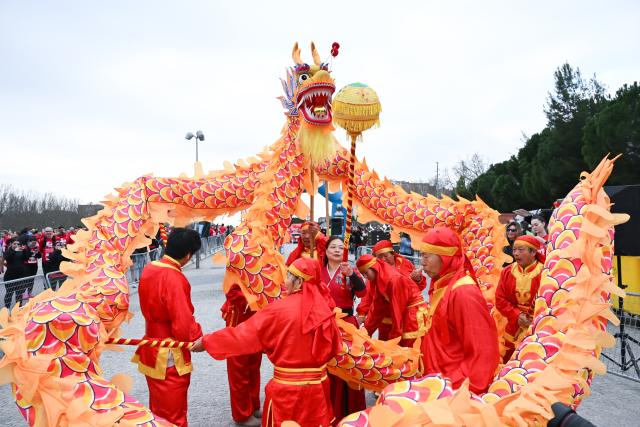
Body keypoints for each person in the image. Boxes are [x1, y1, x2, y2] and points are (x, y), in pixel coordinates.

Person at [191, 258, 342, 427]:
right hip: (318, 387)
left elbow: (242, 336)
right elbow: (335, 346)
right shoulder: (325, 307)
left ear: (299, 281)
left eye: (288, 277)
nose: (285, 282)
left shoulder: (278, 309)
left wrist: (208, 341)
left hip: (287, 390)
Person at [131, 228, 203, 427]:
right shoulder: (174, 278)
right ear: (188, 255)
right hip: (169, 351)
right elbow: (183, 324)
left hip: (151, 344)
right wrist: (198, 337)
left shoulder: (150, 268)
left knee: (158, 409)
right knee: (174, 414)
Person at [419, 226, 499, 394]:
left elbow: (483, 353)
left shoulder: (464, 292)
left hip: (453, 388)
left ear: (445, 258)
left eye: (427, 256)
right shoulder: (442, 283)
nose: (422, 262)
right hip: (437, 382)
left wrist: (462, 392)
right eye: (421, 255)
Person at [321, 236, 366, 420]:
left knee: (349, 367)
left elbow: (363, 292)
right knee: (327, 368)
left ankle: (350, 412)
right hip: (325, 323)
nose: (337, 250)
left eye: (341, 247)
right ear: (326, 251)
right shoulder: (319, 272)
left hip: (347, 323)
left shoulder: (349, 270)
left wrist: (353, 276)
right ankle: (328, 411)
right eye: (333, 247)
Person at [356, 253, 427, 347]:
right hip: (405, 312)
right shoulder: (379, 279)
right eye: (363, 274)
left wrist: (393, 340)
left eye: (366, 273)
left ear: (374, 268)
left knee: (409, 351)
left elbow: (398, 310)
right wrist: (365, 333)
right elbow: (377, 309)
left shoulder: (394, 279)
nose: (365, 277)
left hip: (413, 315)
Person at [495, 235, 545, 363]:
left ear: (533, 252)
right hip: (511, 325)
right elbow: (500, 299)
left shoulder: (544, 273)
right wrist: (517, 315)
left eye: (520, 250)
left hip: (537, 327)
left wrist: (533, 320)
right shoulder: (507, 272)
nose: (516, 254)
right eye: (514, 250)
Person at [220, 284, 263, 426]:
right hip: (239, 319)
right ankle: (242, 414)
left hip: (255, 317)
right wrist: (258, 298)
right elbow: (231, 291)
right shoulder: (235, 262)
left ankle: (253, 405)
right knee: (239, 370)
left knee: (254, 366)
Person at [3, 239, 30, 308]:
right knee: (9, 293)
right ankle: (7, 308)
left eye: (18, 244)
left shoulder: (20, 251)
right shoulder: (8, 251)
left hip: (20, 275)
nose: (16, 245)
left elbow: (26, 258)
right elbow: (8, 258)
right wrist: (14, 251)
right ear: (11, 244)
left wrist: (24, 251)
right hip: (10, 276)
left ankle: (18, 308)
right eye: (14, 244)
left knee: (19, 294)